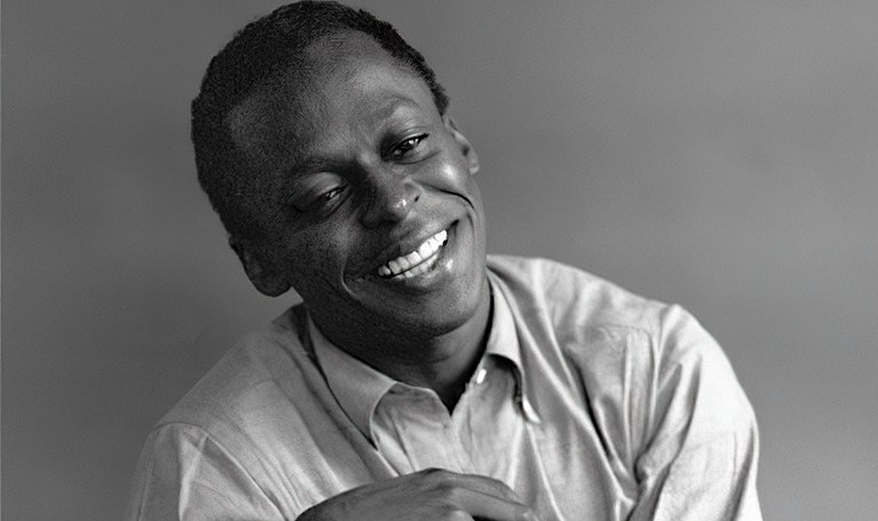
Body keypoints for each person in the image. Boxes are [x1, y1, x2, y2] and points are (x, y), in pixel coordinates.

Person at [126, 2, 762, 520]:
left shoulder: (654, 366)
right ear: (261, 262)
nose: (393, 202)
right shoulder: (212, 460)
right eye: (325, 196)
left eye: (407, 144)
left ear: (460, 143)